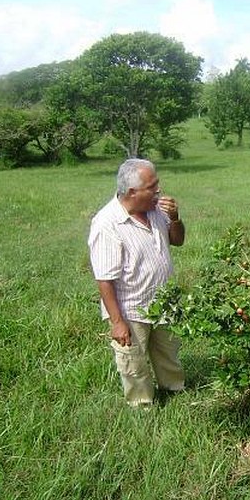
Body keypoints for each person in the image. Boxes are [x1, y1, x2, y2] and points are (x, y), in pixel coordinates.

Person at [88, 158, 186, 407]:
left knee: (168, 353)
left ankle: (174, 390)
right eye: (152, 186)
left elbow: (177, 241)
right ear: (132, 192)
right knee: (133, 361)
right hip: (132, 309)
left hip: (164, 302)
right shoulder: (107, 224)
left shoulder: (157, 210)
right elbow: (105, 280)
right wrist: (117, 322)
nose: (158, 191)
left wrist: (175, 218)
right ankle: (142, 404)